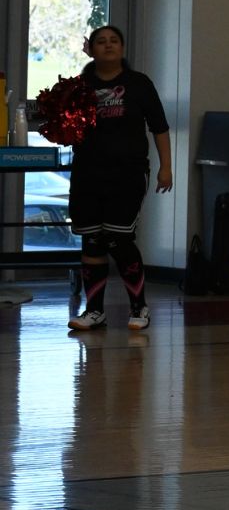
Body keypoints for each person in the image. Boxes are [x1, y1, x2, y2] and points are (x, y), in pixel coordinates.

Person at [67, 25, 172, 332]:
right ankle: (95, 311)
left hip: (127, 173)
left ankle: (139, 307)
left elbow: (160, 127)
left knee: (119, 237)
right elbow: (61, 124)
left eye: (114, 41)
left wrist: (166, 167)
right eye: (101, 41)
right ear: (91, 49)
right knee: (92, 239)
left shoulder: (139, 84)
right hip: (88, 172)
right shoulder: (80, 86)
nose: (108, 46)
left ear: (123, 49)